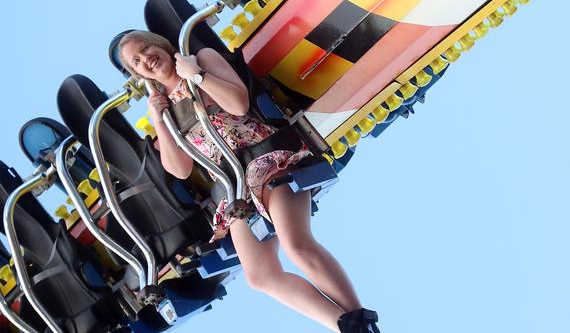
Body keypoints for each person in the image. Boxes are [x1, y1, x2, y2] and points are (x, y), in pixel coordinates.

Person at [118, 30, 380, 333]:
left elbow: (238, 104)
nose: (146, 59)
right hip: (234, 188)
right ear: (137, 74)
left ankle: (360, 320)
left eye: (146, 48)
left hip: (265, 161)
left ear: (160, 44)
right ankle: (344, 326)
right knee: (259, 275)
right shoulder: (163, 108)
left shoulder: (201, 59)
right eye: (136, 62)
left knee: (298, 246)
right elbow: (180, 170)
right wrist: (159, 121)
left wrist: (198, 75)